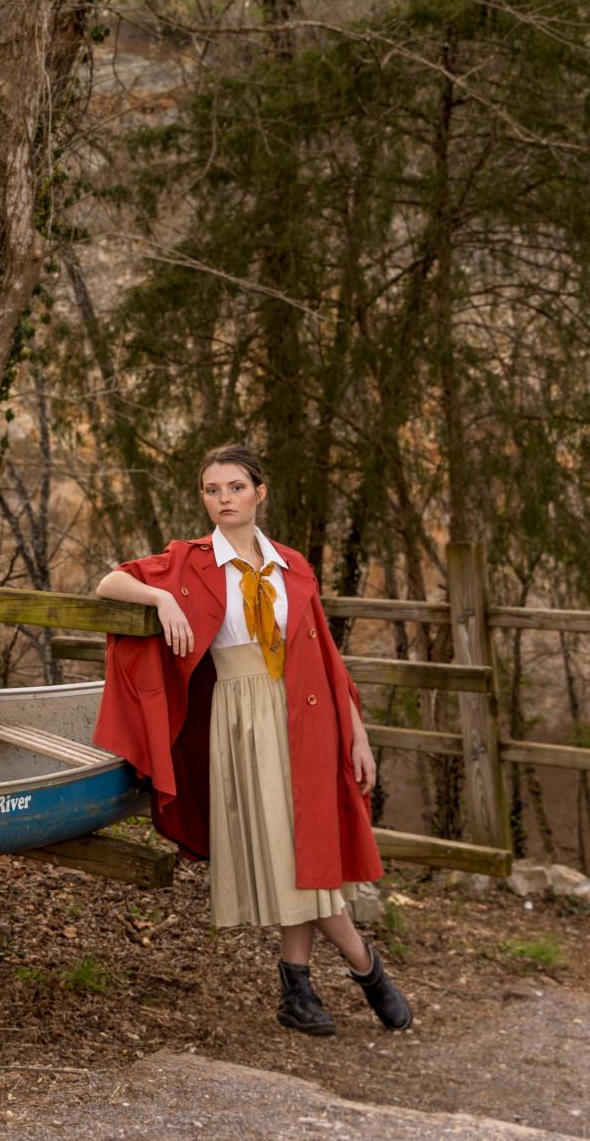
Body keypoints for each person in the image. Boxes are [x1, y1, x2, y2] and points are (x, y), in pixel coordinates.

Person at [92, 442, 412, 1036]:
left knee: (305, 848)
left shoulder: (292, 565)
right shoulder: (190, 561)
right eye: (212, 490)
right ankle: (364, 969)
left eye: (235, 488)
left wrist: (358, 735)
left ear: (259, 493)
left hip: (308, 713)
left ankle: (300, 986)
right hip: (241, 718)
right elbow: (109, 584)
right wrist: (162, 597)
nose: (224, 500)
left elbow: (326, 656)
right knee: (294, 852)